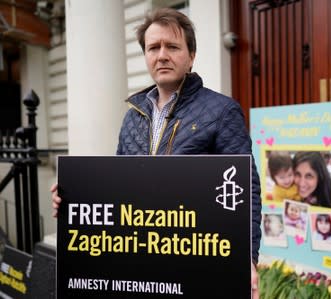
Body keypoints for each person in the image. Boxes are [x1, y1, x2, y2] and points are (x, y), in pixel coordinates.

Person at [51, 7, 261, 297]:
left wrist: (247, 259)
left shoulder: (222, 112)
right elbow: (116, 188)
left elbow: (245, 190)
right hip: (144, 262)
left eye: (172, 46)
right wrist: (72, 198)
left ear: (191, 56)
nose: (161, 55)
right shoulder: (132, 117)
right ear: (146, 56)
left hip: (198, 258)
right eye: (153, 47)